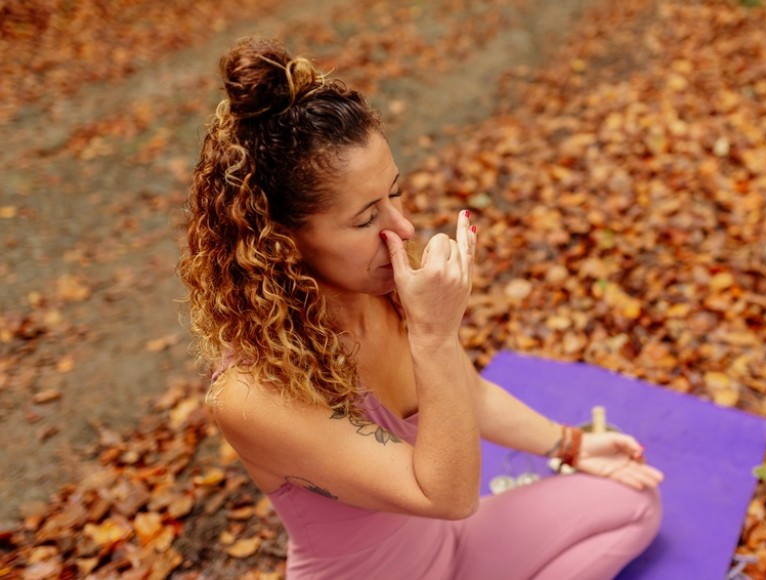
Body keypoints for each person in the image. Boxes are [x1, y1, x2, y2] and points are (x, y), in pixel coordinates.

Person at [179, 37, 663, 579]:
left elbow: (470, 394)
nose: (402, 229)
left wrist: (573, 445)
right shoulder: (251, 393)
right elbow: (449, 496)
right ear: (280, 241)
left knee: (636, 507)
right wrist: (432, 337)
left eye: (396, 193)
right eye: (366, 219)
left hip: (455, 546)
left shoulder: (382, 289)